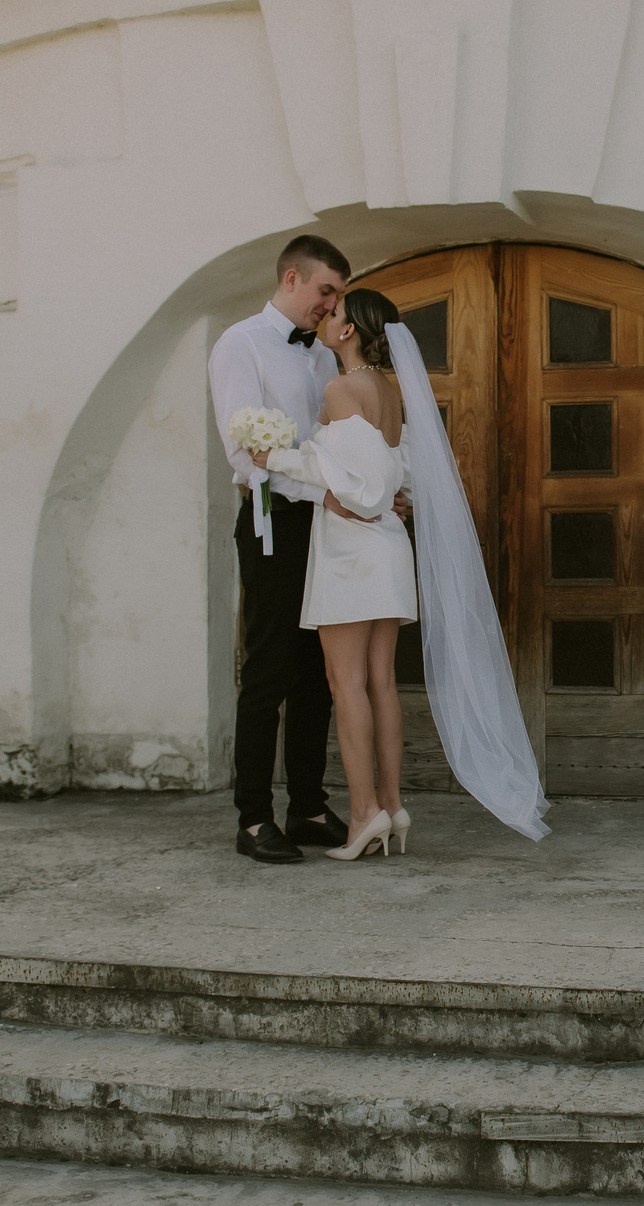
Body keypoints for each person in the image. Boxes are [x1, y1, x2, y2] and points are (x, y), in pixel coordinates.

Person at [250, 289, 417, 861]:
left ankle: (365, 815)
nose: (327, 317)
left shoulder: (342, 389)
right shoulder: (388, 391)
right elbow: (393, 476)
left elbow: (356, 484)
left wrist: (273, 458)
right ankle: (392, 805)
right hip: (388, 547)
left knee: (345, 684)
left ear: (349, 332)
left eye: (336, 312)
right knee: (381, 682)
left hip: (353, 551)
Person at [208, 234, 355, 865]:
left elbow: (330, 444)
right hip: (273, 520)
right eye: (326, 291)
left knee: (318, 669)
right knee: (269, 667)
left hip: (324, 522)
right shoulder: (240, 344)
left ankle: (307, 806)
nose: (331, 305)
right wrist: (326, 492)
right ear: (291, 278)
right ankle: (252, 818)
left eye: (338, 296)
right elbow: (246, 454)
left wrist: (359, 490)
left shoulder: (323, 357)